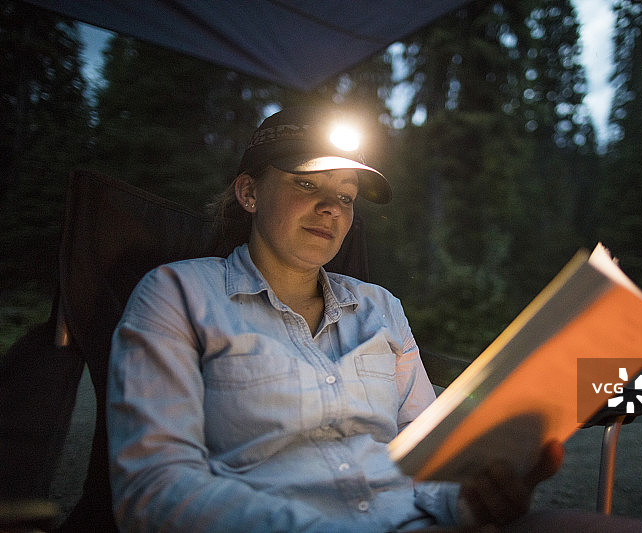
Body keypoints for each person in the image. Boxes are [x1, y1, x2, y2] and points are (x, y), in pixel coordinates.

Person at [106, 105, 563, 532]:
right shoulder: (179, 294)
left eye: (345, 196)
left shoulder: (381, 308)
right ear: (249, 192)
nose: (331, 208)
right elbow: (154, 488)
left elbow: (428, 456)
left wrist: (470, 501)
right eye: (307, 184)